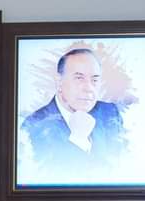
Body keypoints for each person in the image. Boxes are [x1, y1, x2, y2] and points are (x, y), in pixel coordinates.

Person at [20, 48, 126, 179]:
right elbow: (47, 176)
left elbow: (122, 168)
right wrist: (78, 140)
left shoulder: (110, 113)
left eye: (94, 80)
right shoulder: (33, 126)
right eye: (79, 78)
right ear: (59, 82)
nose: (88, 88)